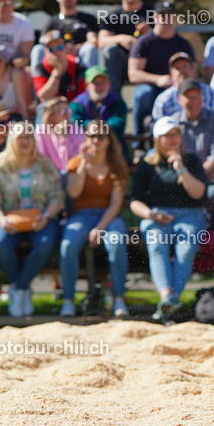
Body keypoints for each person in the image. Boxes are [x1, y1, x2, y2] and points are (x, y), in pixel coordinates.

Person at [129, 118, 208, 321]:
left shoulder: (191, 159)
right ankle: (167, 297)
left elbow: (199, 194)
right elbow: (135, 201)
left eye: (175, 134)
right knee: (157, 244)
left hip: (189, 213)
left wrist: (181, 168)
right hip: (156, 214)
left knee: (187, 246)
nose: (172, 138)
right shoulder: (148, 164)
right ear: (157, 139)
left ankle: (169, 302)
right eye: (167, 135)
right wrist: (150, 215)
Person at [0, 121, 65, 318]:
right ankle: (22, 288)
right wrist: (1, 220)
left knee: (45, 244)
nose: (25, 142)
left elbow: (57, 196)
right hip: (10, 219)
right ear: (12, 140)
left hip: (41, 219)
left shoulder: (45, 164)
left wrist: (46, 217)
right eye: (21, 138)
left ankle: (18, 288)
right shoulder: (0, 165)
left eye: (29, 137)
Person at [61, 120, 130, 318]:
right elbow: (73, 193)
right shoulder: (75, 162)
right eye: (91, 136)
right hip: (81, 216)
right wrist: (84, 162)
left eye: (101, 137)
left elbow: (115, 203)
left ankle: (119, 299)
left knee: (116, 243)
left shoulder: (117, 165)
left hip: (109, 216)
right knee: (67, 246)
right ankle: (68, 300)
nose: (96, 141)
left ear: (109, 141)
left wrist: (100, 227)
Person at [127, 0, 195, 136]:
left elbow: (193, 72)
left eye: (170, 14)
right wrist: (158, 79)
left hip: (177, 89)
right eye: (162, 14)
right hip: (152, 88)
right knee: (142, 94)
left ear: (175, 17)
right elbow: (133, 74)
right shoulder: (144, 42)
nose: (167, 18)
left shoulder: (184, 44)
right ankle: (139, 142)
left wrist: (178, 82)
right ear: (155, 17)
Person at [96, 0, 155, 93]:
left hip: (148, 62)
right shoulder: (114, 15)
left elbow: (167, 35)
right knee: (110, 50)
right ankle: (115, 101)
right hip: (123, 64)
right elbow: (101, 41)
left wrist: (150, 34)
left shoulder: (153, 12)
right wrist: (120, 39)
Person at [167, 78, 214, 181]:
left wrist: (194, 178)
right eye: (188, 97)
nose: (193, 102)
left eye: (196, 97)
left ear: (202, 98)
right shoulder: (173, 123)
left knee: (213, 194)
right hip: (180, 178)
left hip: (209, 179)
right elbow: (169, 155)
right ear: (180, 99)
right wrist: (187, 178)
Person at [37, 0, 99, 70]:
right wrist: (60, 49)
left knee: (89, 49)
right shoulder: (52, 21)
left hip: (79, 58)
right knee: (38, 49)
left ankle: (87, 83)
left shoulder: (88, 19)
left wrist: (77, 48)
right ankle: (39, 81)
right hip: (57, 58)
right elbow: (43, 40)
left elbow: (94, 40)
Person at [151, 51, 214, 121]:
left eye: (185, 66)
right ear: (171, 74)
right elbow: (159, 127)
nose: (182, 71)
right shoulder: (163, 100)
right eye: (177, 68)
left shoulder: (210, 93)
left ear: (193, 69)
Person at [70, 66, 128, 144]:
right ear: (86, 85)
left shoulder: (118, 103)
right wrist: (99, 127)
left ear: (109, 84)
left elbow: (118, 127)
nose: (100, 87)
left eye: (102, 82)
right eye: (96, 83)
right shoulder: (76, 104)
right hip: (83, 146)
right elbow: (74, 126)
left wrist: (91, 126)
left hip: (112, 149)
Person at [32, 30, 86, 104]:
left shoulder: (77, 66)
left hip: (72, 108)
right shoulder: (40, 68)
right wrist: (57, 71)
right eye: (51, 49)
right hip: (50, 109)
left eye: (60, 47)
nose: (56, 52)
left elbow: (83, 98)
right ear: (46, 52)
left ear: (66, 48)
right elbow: (44, 98)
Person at [34, 97, 85, 174]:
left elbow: (72, 161)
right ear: (51, 115)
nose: (67, 115)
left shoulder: (76, 130)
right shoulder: (40, 132)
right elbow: (40, 158)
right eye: (63, 112)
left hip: (71, 172)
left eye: (68, 111)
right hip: (48, 174)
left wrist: (64, 139)